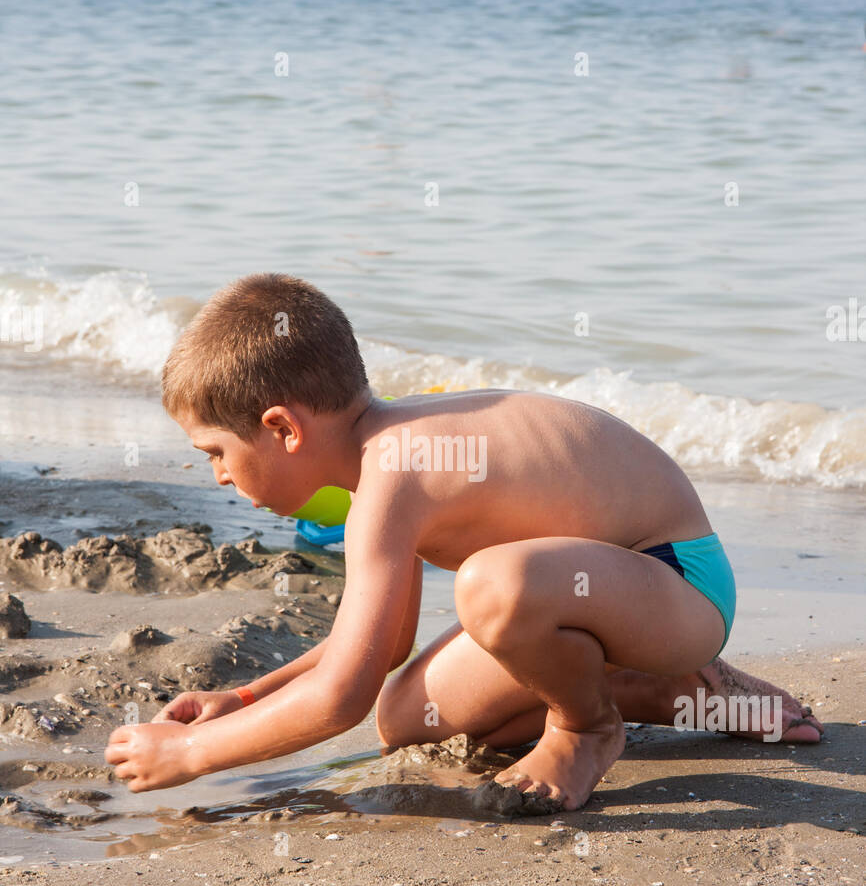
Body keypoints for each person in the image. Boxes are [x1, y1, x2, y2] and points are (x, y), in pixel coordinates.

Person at [106, 275, 821, 810]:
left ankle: (587, 729)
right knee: (405, 718)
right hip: (607, 603)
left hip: (677, 584)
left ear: (283, 429)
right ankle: (665, 691)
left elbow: (339, 698)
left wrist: (193, 754)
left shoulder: (398, 470)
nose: (221, 477)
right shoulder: (374, 480)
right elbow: (378, 655)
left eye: (216, 452)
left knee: (492, 587)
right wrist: (245, 696)